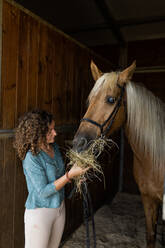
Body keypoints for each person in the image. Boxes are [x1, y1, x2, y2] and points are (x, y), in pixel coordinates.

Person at [13, 109, 88, 248]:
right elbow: (43, 191)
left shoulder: (53, 147)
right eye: (50, 130)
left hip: (59, 207)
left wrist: (75, 175)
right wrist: (69, 176)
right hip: (40, 213)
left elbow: (58, 176)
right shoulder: (31, 158)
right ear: (38, 133)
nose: (55, 133)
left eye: (54, 128)